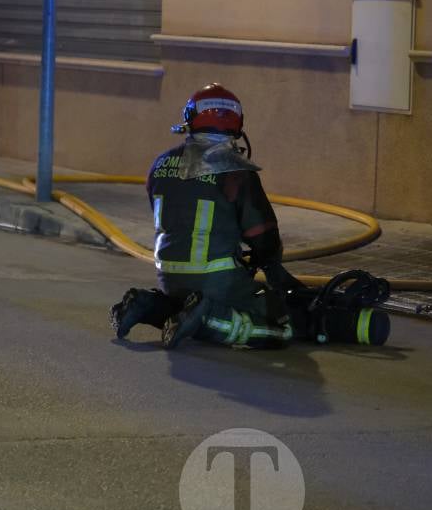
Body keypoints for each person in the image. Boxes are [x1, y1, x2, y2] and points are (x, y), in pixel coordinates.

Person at [111, 83, 296, 349]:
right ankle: (207, 318)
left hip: (169, 278)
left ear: (189, 118)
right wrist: (272, 265)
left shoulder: (160, 164)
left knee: (183, 308)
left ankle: (146, 305)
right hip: (217, 282)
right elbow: (261, 234)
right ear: (238, 123)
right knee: (283, 326)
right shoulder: (235, 171)